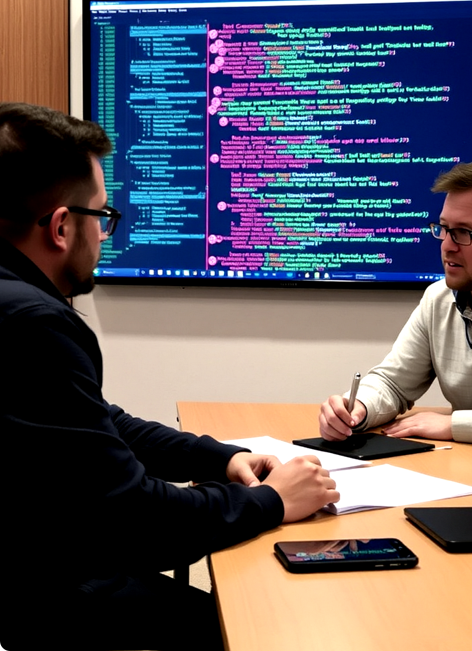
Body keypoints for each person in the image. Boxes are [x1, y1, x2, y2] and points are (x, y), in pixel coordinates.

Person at [0, 103, 339, 650]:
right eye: (102, 216)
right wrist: (273, 501)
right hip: (40, 592)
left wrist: (217, 458)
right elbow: (137, 525)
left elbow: (95, 423)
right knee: (247, 627)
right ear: (61, 227)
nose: (104, 235)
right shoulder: (32, 324)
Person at [319, 156, 472, 448]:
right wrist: (356, 408)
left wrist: (454, 425)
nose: (447, 246)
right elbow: (393, 383)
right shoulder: (438, 300)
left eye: (463, 232)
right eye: (444, 229)